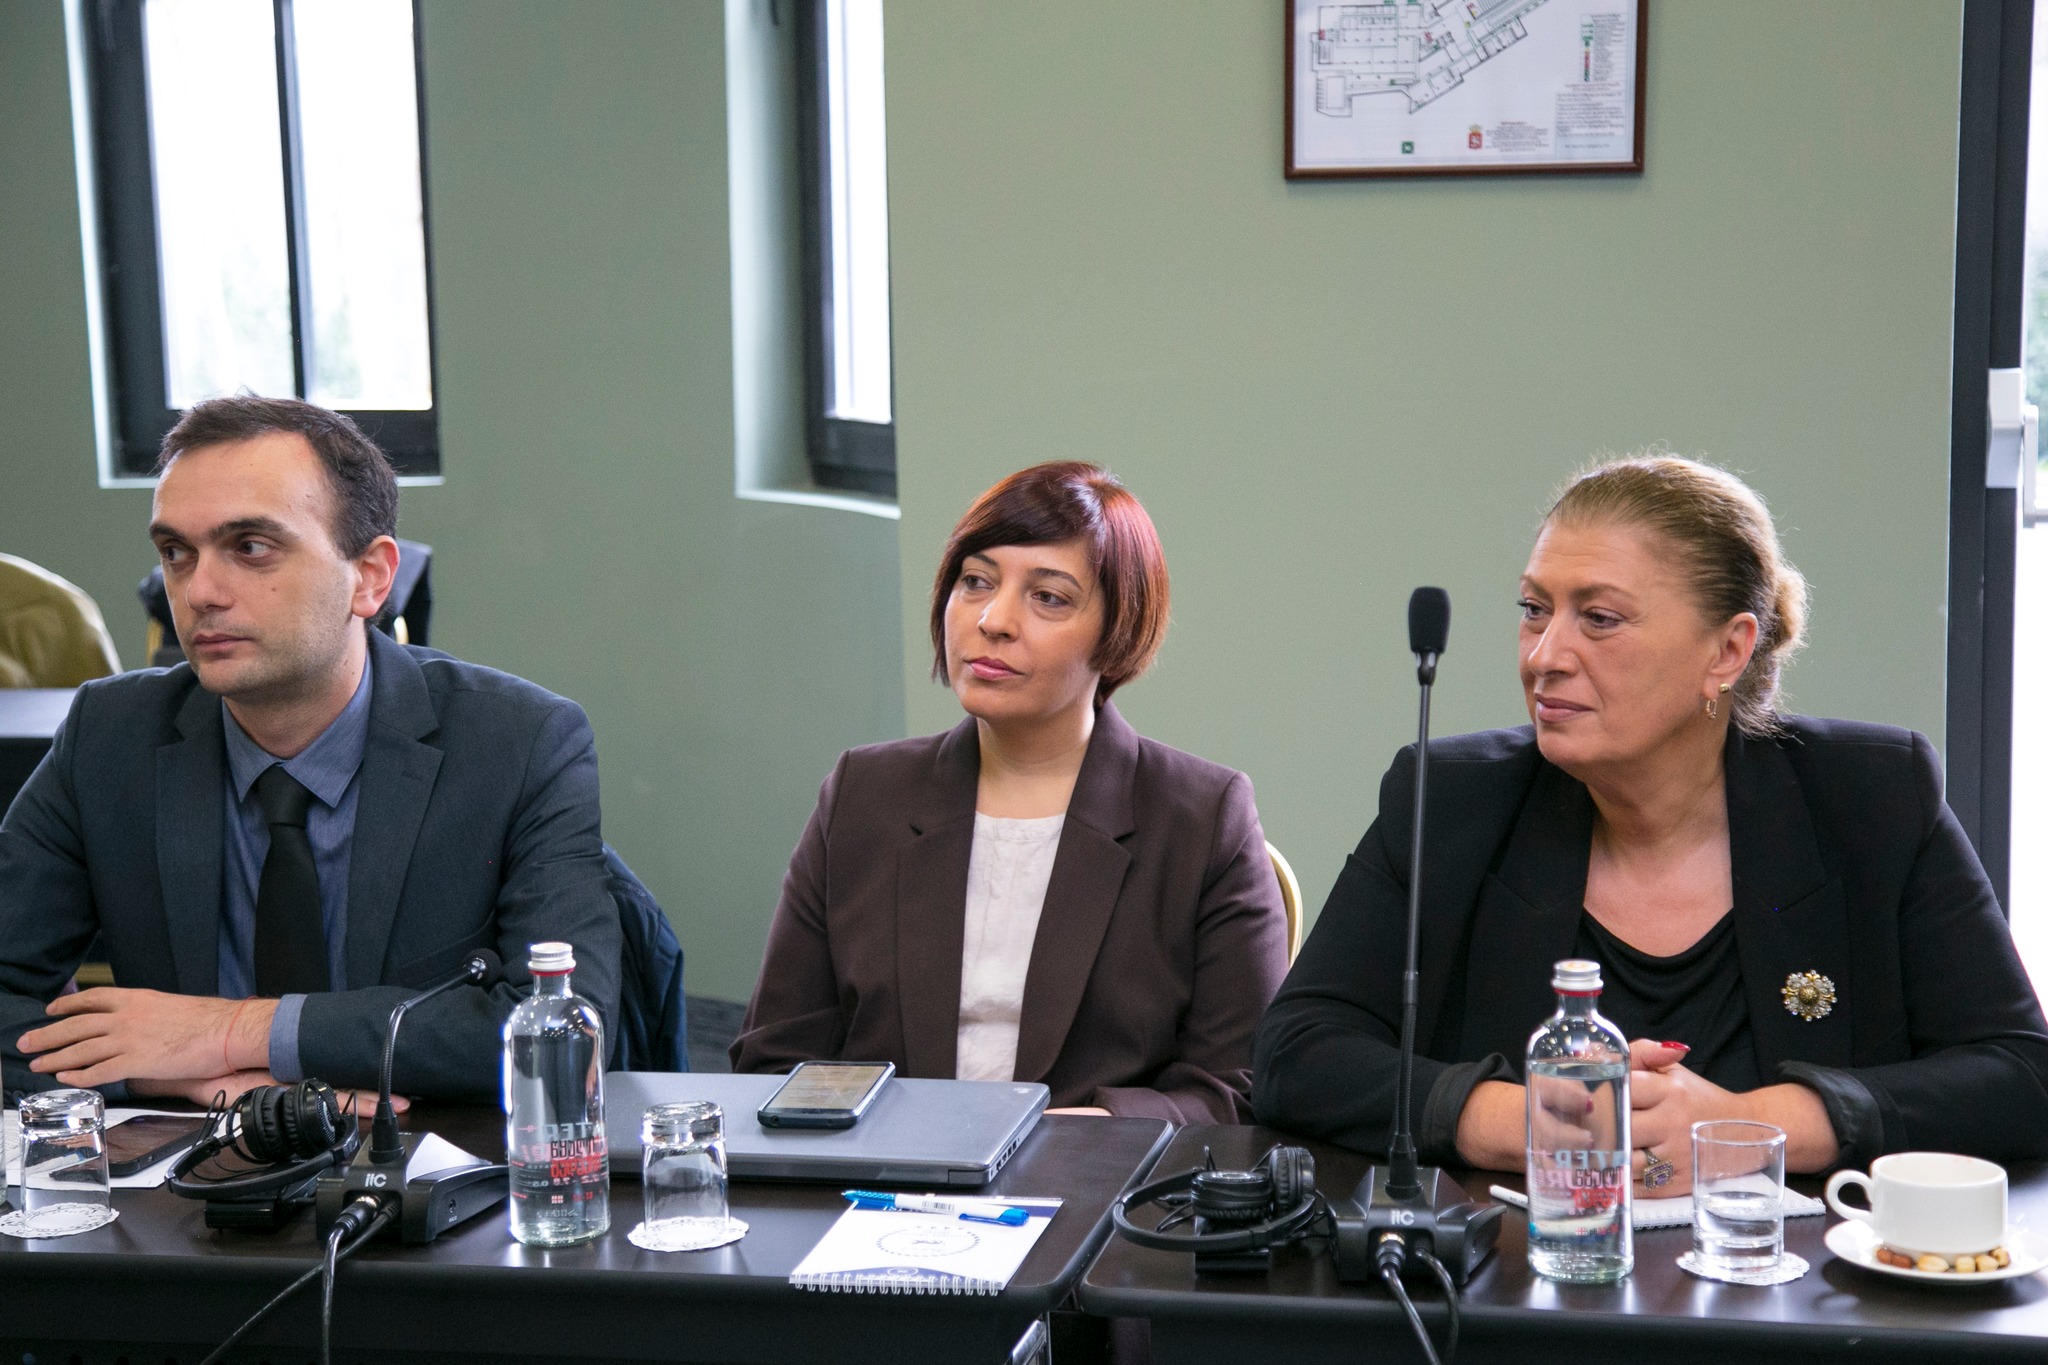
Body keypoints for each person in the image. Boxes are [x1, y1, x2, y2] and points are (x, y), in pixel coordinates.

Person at [1255, 455, 2048, 1194]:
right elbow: (1295, 1050)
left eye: (1599, 618)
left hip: (1799, 1283)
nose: (1544, 655)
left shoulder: (1872, 800)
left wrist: (1753, 1126)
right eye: (1534, 610)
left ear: (1728, 650)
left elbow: (2021, 1074)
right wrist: (1529, 1119)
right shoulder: (1452, 801)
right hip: (1523, 1279)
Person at [0, 396, 621, 1107]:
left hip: (427, 1158)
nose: (199, 591)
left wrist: (233, 1030)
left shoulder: (520, 743)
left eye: (250, 547)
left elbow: (566, 1029)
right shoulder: (110, 736)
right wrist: (168, 1071)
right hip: (193, 1160)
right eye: (176, 553)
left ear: (371, 577)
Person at [732, 462, 1289, 1122]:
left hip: (1097, 1179)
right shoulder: (863, 793)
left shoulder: (1202, 817)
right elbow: (775, 1060)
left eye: (1048, 597)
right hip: (886, 1177)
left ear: (1119, 631)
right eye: (976, 581)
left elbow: (1235, 1090)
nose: (993, 620)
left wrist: (1056, 1138)